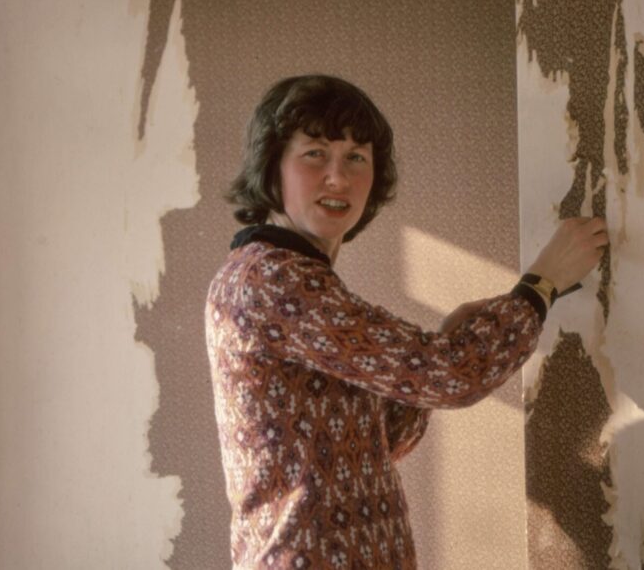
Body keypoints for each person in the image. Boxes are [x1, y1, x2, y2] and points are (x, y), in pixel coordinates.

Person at [205, 74, 608, 569]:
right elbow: (450, 377)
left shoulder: (292, 276)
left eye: (356, 157)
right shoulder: (273, 280)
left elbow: (383, 440)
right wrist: (541, 285)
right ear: (273, 167)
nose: (339, 177)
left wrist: (442, 340)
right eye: (315, 154)